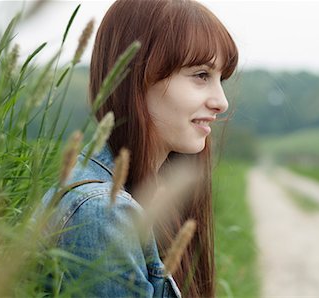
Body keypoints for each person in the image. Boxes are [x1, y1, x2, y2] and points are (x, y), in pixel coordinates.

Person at [39, 0, 238, 297]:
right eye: (201, 75)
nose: (221, 102)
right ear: (137, 75)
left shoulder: (143, 198)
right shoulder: (101, 213)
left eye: (220, 78)